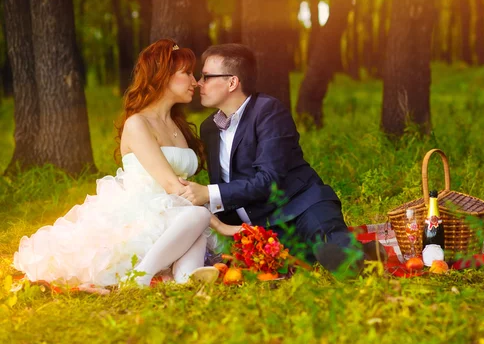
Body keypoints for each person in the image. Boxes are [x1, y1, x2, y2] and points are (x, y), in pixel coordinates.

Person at [13, 39, 240, 288]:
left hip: (177, 212)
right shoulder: (137, 124)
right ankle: (139, 276)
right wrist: (218, 223)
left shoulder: (177, 126)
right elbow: (170, 185)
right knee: (197, 216)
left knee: (193, 221)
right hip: (144, 209)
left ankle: (183, 278)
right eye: (186, 73)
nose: (195, 82)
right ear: (163, 77)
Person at [178, 43, 385, 274]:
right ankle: (361, 251)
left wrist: (209, 192)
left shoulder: (268, 112)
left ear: (232, 82)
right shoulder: (209, 128)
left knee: (332, 248)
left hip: (301, 205)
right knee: (290, 263)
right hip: (262, 226)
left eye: (206, 76)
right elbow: (228, 185)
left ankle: (356, 255)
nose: (198, 83)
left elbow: (269, 180)